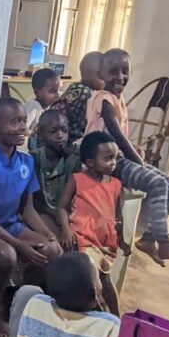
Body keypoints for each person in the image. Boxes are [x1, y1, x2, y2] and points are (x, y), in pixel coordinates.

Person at [87, 49, 169, 266]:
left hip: (119, 157)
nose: (120, 77)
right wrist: (137, 159)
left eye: (125, 71)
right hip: (107, 162)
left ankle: (148, 239)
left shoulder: (118, 99)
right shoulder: (103, 99)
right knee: (157, 183)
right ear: (100, 74)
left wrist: (133, 150)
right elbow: (115, 133)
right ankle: (163, 242)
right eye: (113, 71)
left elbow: (119, 136)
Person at [0, 97, 62, 337]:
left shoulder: (26, 161)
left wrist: (47, 233)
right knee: (7, 254)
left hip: (12, 224)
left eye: (23, 121)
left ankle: (24, 307)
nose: (22, 127)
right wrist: (18, 244)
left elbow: (27, 209)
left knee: (51, 250)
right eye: (14, 122)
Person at [57, 131, 126, 314]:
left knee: (105, 280)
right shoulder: (77, 180)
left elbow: (117, 214)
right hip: (83, 237)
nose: (113, 163)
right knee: (92, 278)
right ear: (90, 162)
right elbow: (62, 207)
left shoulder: (115, 184)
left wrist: (123, 238)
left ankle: (116, 319)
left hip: (105, 241)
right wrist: (66, 229)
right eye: (108, 158)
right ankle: (99, 314)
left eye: (115, 158)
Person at [31, 110, 82, 237]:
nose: (60, 136)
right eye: (53, 131)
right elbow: (31, 201)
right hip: (39, 213)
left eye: (64, 130)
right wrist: (52, 213)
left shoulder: (73, 162)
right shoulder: (33, 159)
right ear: (40, 134)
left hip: (66, 216)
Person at [49, 51, 105, 145]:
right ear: (88, 74)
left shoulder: (76, 87)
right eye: (102, 76)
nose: (106, 80)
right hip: (55, 145)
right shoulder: (88, 95)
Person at [25, 67, 62, 146]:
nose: (58, 95)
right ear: (36, 92)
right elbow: (22, 128)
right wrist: (35, 134)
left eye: (60, 90)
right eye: (52, 91)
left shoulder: (50, 108)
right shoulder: (33, 107)